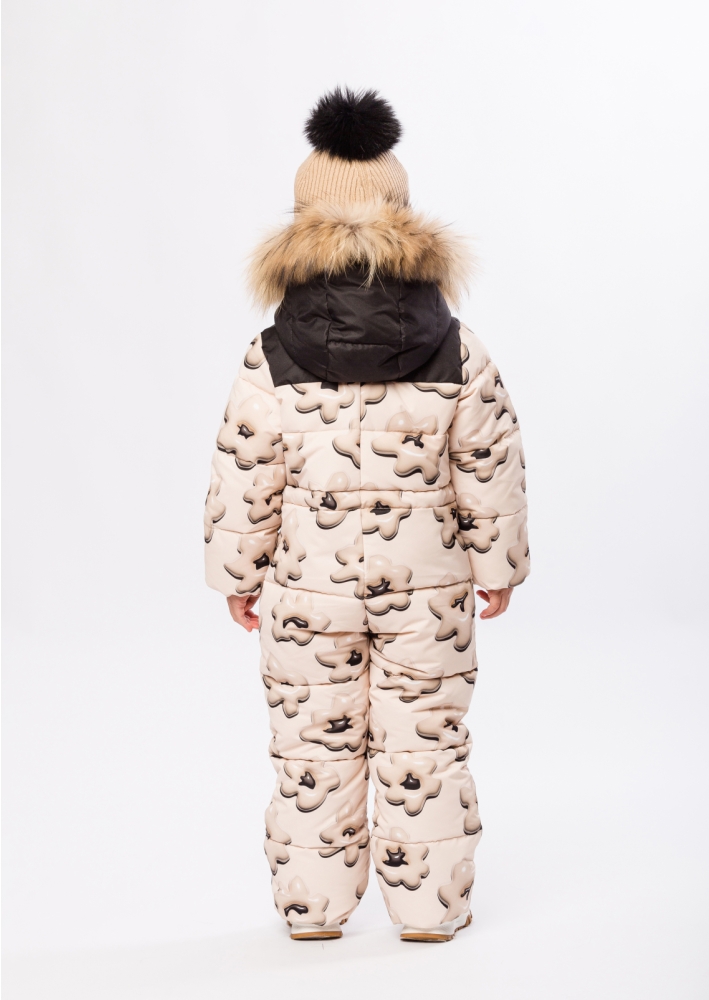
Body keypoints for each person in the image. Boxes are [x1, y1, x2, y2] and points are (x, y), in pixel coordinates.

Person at [204, 87, 530, 942]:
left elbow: (245, 467)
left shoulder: (270, 354)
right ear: (404, 222)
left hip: (306, 592)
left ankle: (313, 912)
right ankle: (430, 911)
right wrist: (498, 566)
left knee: (312, 748)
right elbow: (489, 462)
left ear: (302, 229)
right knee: (426, 745)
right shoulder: (456, 348)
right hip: (428, 591)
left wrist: (238, 574)